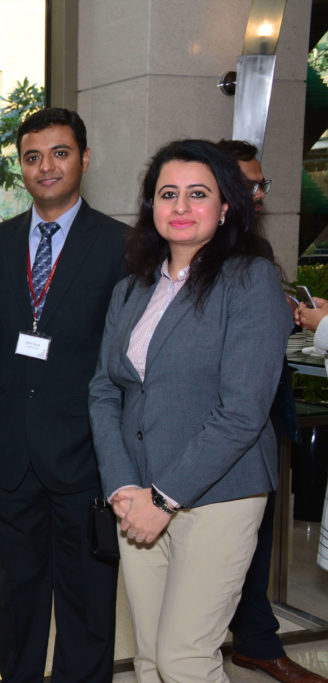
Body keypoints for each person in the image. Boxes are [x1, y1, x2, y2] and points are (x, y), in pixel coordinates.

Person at [89, 138, 292, 681]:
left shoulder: (250, 281)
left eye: (197, 194)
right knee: (151, 657)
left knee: (185, 658)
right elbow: (105, 390)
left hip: (219, 494)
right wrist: (122, 486)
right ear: (151, 206)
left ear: (225, 206)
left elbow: (243, 411)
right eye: (167, 194)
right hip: (137, 497)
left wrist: (163, 497)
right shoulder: (131, 290)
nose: (180, 206)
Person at [0, 107, 124, 681]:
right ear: (21, 167)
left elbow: (122, 360)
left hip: (86, 454)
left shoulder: (121, 245)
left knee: (87, 602)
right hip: (10, 454)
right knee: (15, 597)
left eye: (59, 153)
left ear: (84, 158)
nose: (46, 167)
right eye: (33, 157)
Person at [217, 139, 326, 683]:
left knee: (255, 539)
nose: (258, 195)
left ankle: (255, 641)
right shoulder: (182, 250)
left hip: (260, 417)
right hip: (213, 423)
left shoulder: (255, 248)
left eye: (261, 184)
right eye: (248, 184)